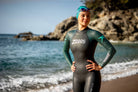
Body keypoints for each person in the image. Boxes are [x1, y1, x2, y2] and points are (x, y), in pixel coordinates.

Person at [63, 6, 116, 92]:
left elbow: (111, 50)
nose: (86, 18)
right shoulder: (70, 34)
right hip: (76, 76)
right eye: (83, 15)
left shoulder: (94, 34)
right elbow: (65, 51)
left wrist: (100, 66)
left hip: (91, 75)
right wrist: (70, 64)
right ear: (77, 17)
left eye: (88, 16)